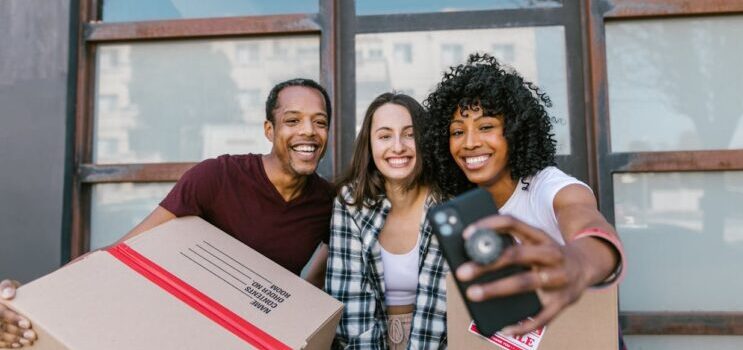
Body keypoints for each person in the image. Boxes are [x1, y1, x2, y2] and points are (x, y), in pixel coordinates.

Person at [0, 78, 335, 348]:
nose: (308, 131)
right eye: (293, 120)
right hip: (181, 330)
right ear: (269, 130)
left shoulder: (328, 205)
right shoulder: (217, 178)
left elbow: (315, 287)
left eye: (319, 123)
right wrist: (31, 299)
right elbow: (121, 255)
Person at [420, 54, 626, 337]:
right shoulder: (461, 207)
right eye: (457, 131)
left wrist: (579, 262)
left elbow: (586, 220)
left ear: (515, 131)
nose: (469, 143)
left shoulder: (546, 186)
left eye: (486, 127)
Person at [326, 92, 447, 349]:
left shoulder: (447, 204)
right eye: (384, 136)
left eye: (410, 134)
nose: (398, 146)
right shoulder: (351, 203)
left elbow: (439, 309)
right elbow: (350, 307)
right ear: (369, 145)